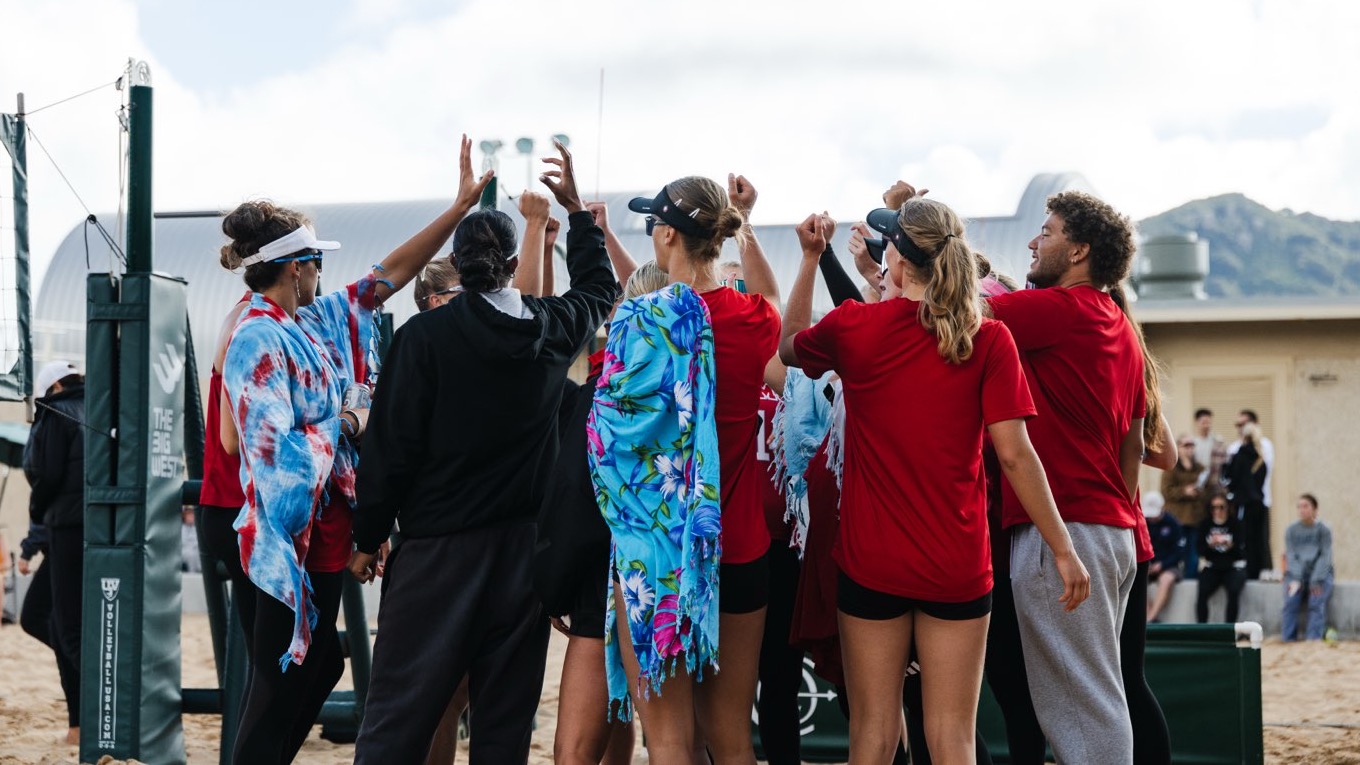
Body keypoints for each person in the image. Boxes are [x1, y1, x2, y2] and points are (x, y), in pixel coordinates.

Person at [780, 195, 1089, 764]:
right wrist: (1064, 549)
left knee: (872, 734)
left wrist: (808, 258)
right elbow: (1018, 457)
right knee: (953, 737)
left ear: (895, 260)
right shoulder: (988, 338)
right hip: (958, 565)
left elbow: (789, 346)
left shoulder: (858, 326)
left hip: (873, 562)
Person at [220, 136, 490, 764]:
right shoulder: (256, 337)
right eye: (317, 264)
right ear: (298, 266)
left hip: (321, 534)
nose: (325, 275)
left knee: (314, 670)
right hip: (283, 543)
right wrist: (346, 423)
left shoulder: (304, 324)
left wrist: (457, 210)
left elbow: (386, 278)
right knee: (279, 689)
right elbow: (275, 461)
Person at [349, 140, 618, 763]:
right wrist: (575, 211)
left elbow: (390, 451)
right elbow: (600, 288)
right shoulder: (550, 331)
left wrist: (366, 538)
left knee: (395, 719)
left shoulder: (422, 338)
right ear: (515, 260)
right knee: (502, 728)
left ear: (457, 267)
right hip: (521, 557)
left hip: (435, 554)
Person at [592, 173, 781, 763]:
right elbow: (774, 305)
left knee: (669, 740)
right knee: (730, 738)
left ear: (667, 234)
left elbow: (605, 439)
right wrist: (747, 225)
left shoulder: (635, 323)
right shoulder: (753, 320)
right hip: (739, 547)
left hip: (660, 553)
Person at [986, 190, 1146, 764]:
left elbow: (953, 312)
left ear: (1078, 251)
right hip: (1111, 532)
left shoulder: (1058, 310)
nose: (1034, 241)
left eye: (1047, 232)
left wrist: (920, 233)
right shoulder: (1123, 329)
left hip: (1066, 533)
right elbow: (1137, 445)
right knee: (1096, 698)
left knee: (1084, 707)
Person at [538, 257, 654, 765]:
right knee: (682, 742)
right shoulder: (698, 390)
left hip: (604, 588)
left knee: (575, 752)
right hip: (680, 582)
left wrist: (554, 586)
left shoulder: (602, 398)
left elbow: (574, 499)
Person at [24, 359, 86, 745]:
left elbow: (45, 474)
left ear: (53, 389)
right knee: (41, 618)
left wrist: (35, 511)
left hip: (65, 527)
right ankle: (79, 723)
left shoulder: (53, 411)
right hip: (93, 528)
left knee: (66, 630)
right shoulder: (97, 407)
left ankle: (92, 716)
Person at [1281, 494, 1333, 641]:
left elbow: (1325, 557)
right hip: (1296, 575)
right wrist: (1297, 579)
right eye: (1299, 506)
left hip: (1320, 575)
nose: (1302, 510)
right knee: (1290, 601)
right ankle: (1288, 639)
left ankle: (1313, 640)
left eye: (1306, 506)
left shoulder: (1324, 530)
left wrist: (1316, 580)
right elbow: (1291, 556)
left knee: (1316, 602)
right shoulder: (1291, 530)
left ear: (1315, 509)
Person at [1224, 421, 1270, 579]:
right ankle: (1258, 571)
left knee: (1244, 538)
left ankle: (1246, 572)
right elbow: (1262, 482)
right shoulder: (1261, 459)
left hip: (1243, 504)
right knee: (1259, 539)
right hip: (1259, 504)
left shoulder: (1239, 456)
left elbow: (1231, 480)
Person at [1195, 492, 1247, 623]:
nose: (1217, 511)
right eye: (1214, 507)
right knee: (1202, 592)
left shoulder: (1236, 524)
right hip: (1212, 565)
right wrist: (1210, 546)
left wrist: (1231, 546)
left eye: (1221, 507)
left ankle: (1229, 629)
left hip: (1232, 566)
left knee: (1234, 591)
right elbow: (1200, 549)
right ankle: (1201, 629)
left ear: (1228, 507)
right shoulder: (1205, 525)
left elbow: (1243, 550)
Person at [1142, 492, 1184, 623]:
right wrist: (1147, 564)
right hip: (1148, 565)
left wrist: (1162, 565)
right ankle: (1147, 613)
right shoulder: (1144, 523)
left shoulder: (1173, 524)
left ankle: (1151, 617)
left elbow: (1179, 552)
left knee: (1166, 579)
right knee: (1136, 580)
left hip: (1169, 565)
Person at [1190, 408, 1226, 487]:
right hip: (1196, 481)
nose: (1207, 426)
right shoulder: (1192, 443)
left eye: (1209, 422)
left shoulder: (1218, 442)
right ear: (1197, 422)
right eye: (1204, 422)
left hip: (1214, 482)